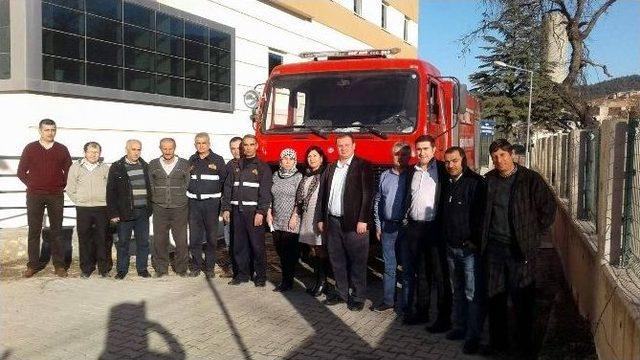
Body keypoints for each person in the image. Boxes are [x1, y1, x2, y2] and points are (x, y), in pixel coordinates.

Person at [482, 139, 556, 356]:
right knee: (495, 298)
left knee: (522, 300)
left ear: (512, 154)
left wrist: (532, 234)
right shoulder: (489, 180)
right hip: (495, 249)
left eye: (503, 155)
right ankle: (499, 344)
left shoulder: (529, 179)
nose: (499, 160)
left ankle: (523, 348)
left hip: (520, 250)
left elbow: (549, 208)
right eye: (495, 157)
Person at [401, 134, 452, 331]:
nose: (422, 153)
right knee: (421, 274)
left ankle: (444, 318)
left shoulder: (441, 170)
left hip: (435, 229)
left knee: (440, 275)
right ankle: (422, 313)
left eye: (425, 149)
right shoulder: (412, 171)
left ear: (434, 150)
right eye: (419, 149)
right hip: (415, 228)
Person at [318, 134, 374, 311]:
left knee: (357, 261)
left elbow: (368, 195)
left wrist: (363, 219)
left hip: (355, 223)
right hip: (333, 221)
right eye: (340, 145)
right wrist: (321, 218)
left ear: (354, 146)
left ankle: (358, 296)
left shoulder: (363, 166)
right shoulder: (331, 167)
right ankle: (341, 293)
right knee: (337, 259)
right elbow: (323, 195)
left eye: (346, 145)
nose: (343, 148)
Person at [441, 146, 486, 354]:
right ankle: (459, 327)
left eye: (455, 161)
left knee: (472, 293)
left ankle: (473, 336)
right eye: (447, 162)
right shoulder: (448, 182)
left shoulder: (476, 183)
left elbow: (481, 217)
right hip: (451, 247)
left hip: (469, 250)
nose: (451, 165)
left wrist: (474, 241)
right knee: (457, 290)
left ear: (463, 160)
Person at [18, 119, 72, 278]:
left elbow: (69, 171)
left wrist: (61, 185)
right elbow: (21, 171)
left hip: (55, 195)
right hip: (34, 195)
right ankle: (33, 265)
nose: (50, 133)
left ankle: (59, 265)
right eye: (47, 130)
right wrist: (33, 184)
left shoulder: (62, 149)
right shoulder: (30, 148)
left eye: (53, 130)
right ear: (40, 131)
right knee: (34, 230)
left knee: (57, 231)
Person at [222, 134, 272, 287]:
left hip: (253, 212)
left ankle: (260, 276)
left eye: (251, 144)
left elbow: (265, 192)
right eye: (245, 145)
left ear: (256, 146)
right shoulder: (236, 165)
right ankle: (241, 275)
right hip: (237, 211)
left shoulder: (262, 167)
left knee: (257, 246)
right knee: (239, 245)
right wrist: (226, 208)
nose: (248, 147)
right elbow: (228, 187)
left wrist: (261, 212)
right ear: (242, 147)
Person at [372, 142, 411, 312]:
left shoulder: (413, 175)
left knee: (408, 268)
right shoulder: (384, 176)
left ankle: (408, 305)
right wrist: (378, 225)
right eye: (397, 154)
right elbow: (378, 201)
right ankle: (389, 301)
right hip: (387, 227)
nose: (400, 158)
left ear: (409, 157)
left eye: (404, 154)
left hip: (407, 228)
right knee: (389, 267)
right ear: (392, 155)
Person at [107, 139, 153, 280]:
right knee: (123, 243)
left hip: (143, 211)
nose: (136, 152)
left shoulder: (146, 166)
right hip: (125, 212)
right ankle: (121, 270)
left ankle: (142, 269)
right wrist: (113, 213)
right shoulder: (117, 167)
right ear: (126, 149)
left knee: (143, 242)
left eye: (139, 149)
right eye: (133, 149)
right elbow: (111, 191)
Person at [65, 141, 110, 278]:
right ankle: (86, 268)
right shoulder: (76, 167)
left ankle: (104, 268)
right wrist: (79, 200)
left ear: (99, 154)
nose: (93, 154)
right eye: (90, 151)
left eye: (96, 152)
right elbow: (70, 188)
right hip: (83, 208)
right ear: (85, 153)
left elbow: (110, 188)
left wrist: (106, 201)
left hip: (101, 207)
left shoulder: (104, 168)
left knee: (102, 238)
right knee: (84, 238)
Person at [148, 138, 190, 277]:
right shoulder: (153, 164)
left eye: (170, 148)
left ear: (175, 148)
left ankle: (181, 268)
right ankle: (161, 269)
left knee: (181, 240)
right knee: (160, 240)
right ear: (160, 148)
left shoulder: (184, 164)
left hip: (180, 207)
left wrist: (181, 197)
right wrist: (155, 198)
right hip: (159, 207)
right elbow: (150, 184)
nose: (168, 151)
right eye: (164, 148)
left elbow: (188, 183)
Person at [187, 132, 226, 278]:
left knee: (211, 238)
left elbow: (224, 182)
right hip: (194, 204)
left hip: (211, 204)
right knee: (195, 238)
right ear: (195, 144)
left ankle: (209, 268)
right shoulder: (191, 160)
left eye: (204, 143)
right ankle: (196, 266)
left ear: (209, 144)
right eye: (198, 143)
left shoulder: (218, 160)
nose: (201, 145)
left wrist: (222, 205)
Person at [292, 146, 330, 297]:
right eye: (309, 156)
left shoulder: (325, 174)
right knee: (313, 250)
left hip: (318, 216)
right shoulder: (306, 175)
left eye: (315, 156)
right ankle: (320, 281)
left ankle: (322, 283)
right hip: (307, 216)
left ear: (321, 158)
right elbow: (300, 198)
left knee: (320, 250)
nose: (312, 159)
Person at [267, 148, 303, 292]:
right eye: (284, 159)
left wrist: (295, 216)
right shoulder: (275, 175)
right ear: (280, 161)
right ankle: (286, 279)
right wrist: (269, 212)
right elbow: (271, 196)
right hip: (276, 220)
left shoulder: (298, 176)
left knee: (289, 252)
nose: (287, 162)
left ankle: (287, 282)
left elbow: (300, 199)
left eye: (290, 159)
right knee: (280, 250)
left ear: (294, 161)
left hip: (291, 220)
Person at [222, 136, 243, 278]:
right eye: (233, 148)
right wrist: (225, 209)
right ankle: (232, 266)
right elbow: (225, 189)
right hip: (230, 208)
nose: (236, 151)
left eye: (238, 148)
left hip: (244, 209)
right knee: (229, 239)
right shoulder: (228, 166)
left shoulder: (253, 165)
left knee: (243, 240)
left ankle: (245, 268)